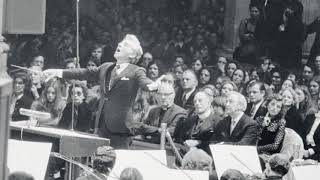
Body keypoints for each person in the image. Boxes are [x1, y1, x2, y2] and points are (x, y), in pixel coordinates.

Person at [44, 34, 161, 149]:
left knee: (117, 162)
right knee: (98, 162)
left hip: (120, 129)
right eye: (120, 42)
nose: (119, 44)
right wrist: (58, 72)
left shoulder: (136, 70)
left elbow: (145, 83)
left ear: (132, 54)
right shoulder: (106, 67)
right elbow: (84, 73)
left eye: (125, 44)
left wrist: (155, 86)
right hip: (101, 125)